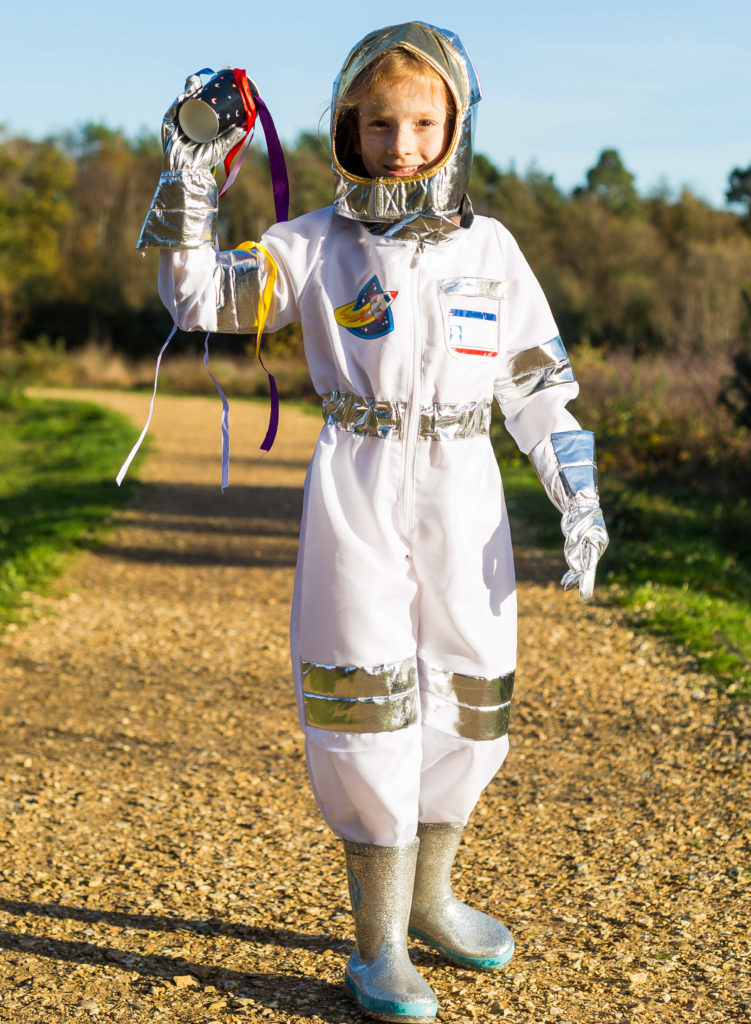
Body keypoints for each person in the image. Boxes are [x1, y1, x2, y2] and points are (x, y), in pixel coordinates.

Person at [136, 21, 608, 1023]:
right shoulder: (310, 244)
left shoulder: (492, 247)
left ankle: (432, 894)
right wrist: (188, 169)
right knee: (367, 695)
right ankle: (378, 941)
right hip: (358, 472)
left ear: (457, 125)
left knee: (473, 692)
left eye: (423, 121)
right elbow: (198, 299)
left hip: (463, 480)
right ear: (348, 124)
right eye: (380, 121)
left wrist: (577, 490)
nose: (402, 142)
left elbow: (534, 383)